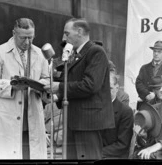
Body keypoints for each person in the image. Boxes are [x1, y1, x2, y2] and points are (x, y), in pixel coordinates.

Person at [44, 18, 115, 160]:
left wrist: (59, 87)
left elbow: (90, 85)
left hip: (88, 122)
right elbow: (75, 84)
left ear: (80, 32)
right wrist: (57, 96)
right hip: (75, 120)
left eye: (67, 33)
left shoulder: (96, 52)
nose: (64, 38)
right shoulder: (77, 54)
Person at [0, 18, 49, 159]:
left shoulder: (40, 54)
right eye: (23, 38)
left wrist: (40, 85)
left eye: (31, 37)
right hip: (6, 117)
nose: (27, 42)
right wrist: (12, 86)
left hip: (32, 117)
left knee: (31, 157)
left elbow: (46, 78)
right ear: (13, 33)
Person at [102, 72, 134, 159]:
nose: (106, 91)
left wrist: (98, 153)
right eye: (103, 88)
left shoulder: (125, 111)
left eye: (110, 88)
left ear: (117, 88)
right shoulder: (93, 107)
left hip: (114, 155)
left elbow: (122, 145)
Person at [136, 40, 162, 107]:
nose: (156, 54)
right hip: (145, 104)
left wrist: (156, 95)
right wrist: (147, 94)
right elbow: (138, 83)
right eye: (154, 51)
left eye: (159, 52)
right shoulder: (144, 68)